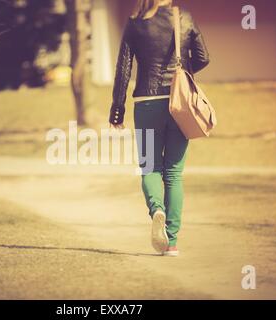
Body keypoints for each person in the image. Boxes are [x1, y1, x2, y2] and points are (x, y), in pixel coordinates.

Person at [109, 0, 210, 256]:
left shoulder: (135, 23)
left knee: (150, 166)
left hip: (146, 103)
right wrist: (183, 73)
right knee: (174, 174)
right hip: (180, 104)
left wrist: (117, 109)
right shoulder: (183, 17)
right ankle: (172, 243)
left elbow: (124, 68)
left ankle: (157, 211)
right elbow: (203, 57)